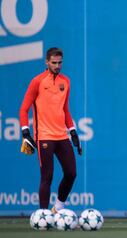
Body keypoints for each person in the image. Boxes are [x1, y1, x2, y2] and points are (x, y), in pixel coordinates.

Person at [19, 47, 82, 213]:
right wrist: (26, 132)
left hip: (62, 135)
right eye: (54, 62)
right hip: (44, 136)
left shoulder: (66, 82)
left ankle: (58, 207)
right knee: (47, 177)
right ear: (46, 62)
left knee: (71, 173)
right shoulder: (37, 81)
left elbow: (65, 111)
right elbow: (23, 109)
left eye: (60, 62)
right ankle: (43, 215)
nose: (57, 65)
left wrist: (73, 131)